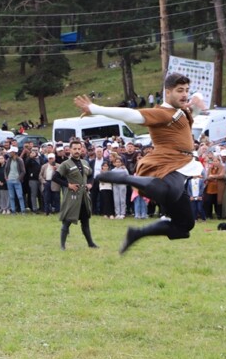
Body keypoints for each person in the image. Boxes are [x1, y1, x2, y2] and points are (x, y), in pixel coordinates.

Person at [74, 73, 204, 254]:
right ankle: (124, 178)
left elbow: (192, 114)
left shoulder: (180, 112)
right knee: (169, 190)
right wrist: (95, 108)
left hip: (181, 164)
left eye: (187, 91)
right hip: (167, 163)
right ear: (167, 92)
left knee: (184, 227)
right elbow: (131, 114)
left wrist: (198, 102)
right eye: (180, 90)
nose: (185, 95)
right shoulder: (162, 113)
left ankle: (136, 234)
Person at [52, 140, 98, 250]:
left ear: (82, 149)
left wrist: (90, 184)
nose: (77, 151)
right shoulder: (65, 164)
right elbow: (55, 177)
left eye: (79, 149)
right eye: (74, 149)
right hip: (72, 197)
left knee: (85, 221)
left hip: (84, 197)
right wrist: (68, 185)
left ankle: (90, 243)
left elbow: (91, 175)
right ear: (70, 150)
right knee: (67, 221)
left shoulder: (85, 163)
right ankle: (62, 246)